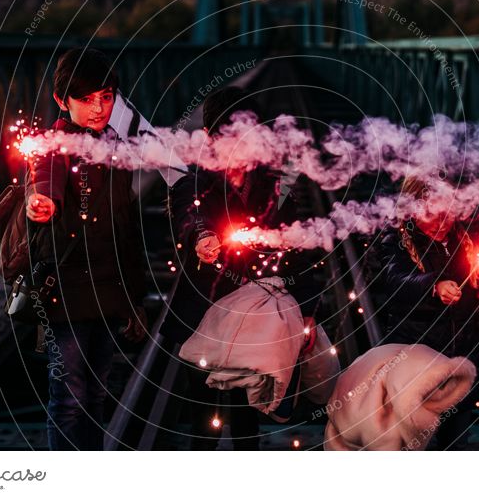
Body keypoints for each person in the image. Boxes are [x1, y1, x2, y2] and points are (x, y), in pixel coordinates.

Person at [161, 86, 318, 450]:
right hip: (203, 318)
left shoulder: (278, 188)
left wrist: (308, 312)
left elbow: (298, 251)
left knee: (247, 419)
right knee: (204, 420)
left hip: (254, 321)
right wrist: (202, 239)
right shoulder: (193, 181)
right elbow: (190, 217)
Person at [25, 47, 148, 450]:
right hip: (70, 288)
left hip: (109, 287)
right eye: (86, 98)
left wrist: (133, 297)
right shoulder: (54, 144)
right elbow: (45, 177)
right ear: (62, 100)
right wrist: (41, 202)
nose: (99, 108)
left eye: (106, 97)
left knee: (94, 394)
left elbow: (126, 227)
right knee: (70, 397)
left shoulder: (113, 147)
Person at [379, 177, 479, 450]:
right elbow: (394, 281)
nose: (445, 221)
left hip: (459, 371)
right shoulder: (394, 240)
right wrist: (433, 286)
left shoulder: (463, 237)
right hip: (415, 374)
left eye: (450, 210)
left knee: (455, 446)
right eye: (435, 212)